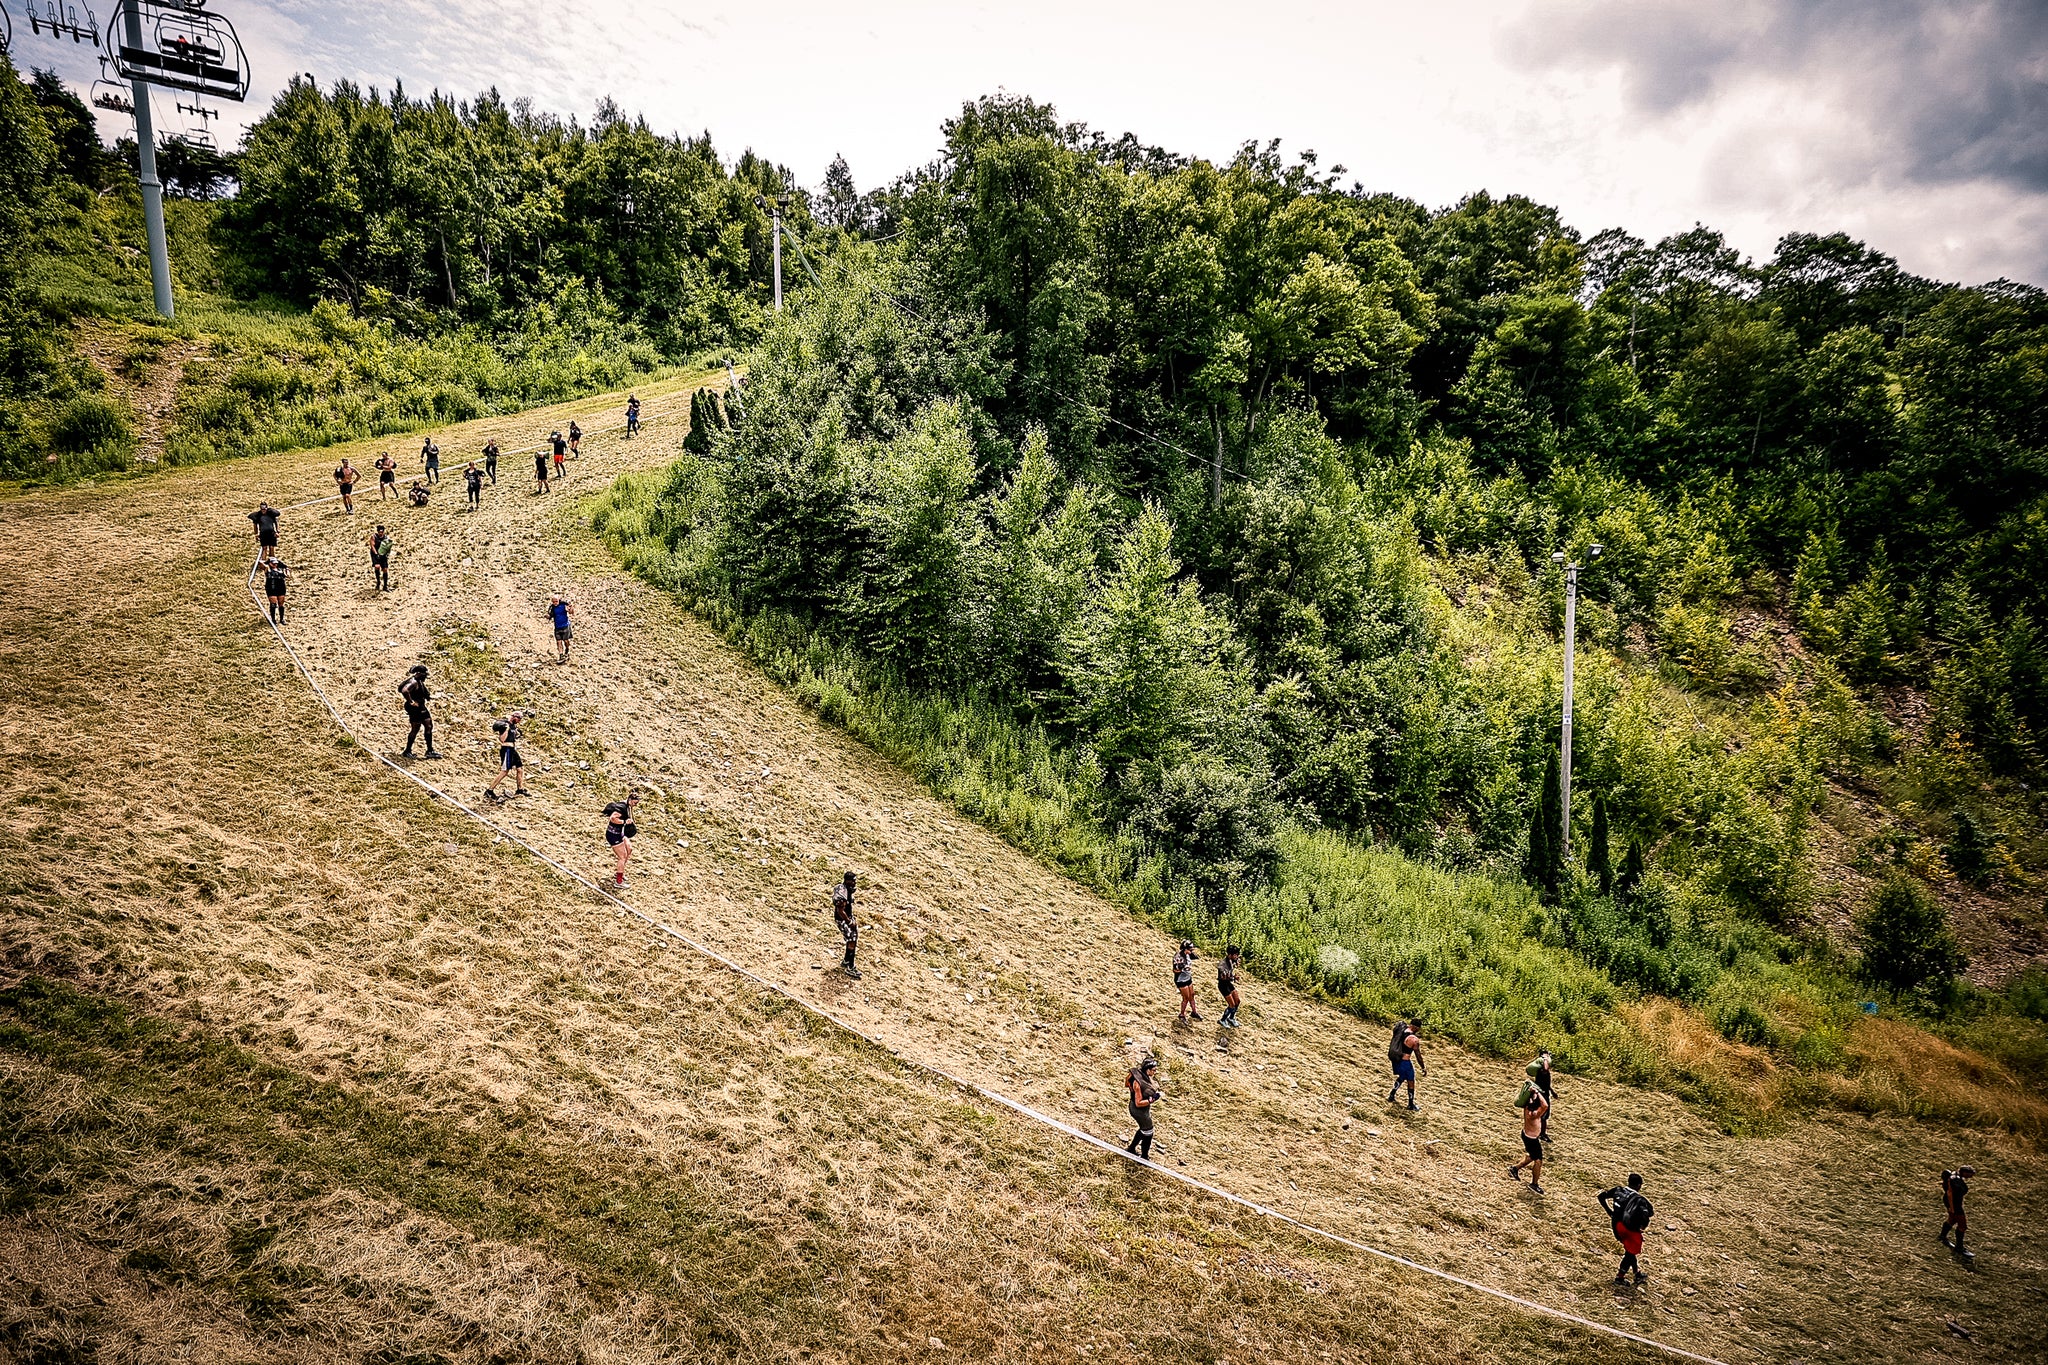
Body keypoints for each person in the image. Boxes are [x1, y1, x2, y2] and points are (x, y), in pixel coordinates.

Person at [1598, 1174, 1652, 1286]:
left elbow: (1601, 1196)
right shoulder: (1640, 1200)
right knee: (1630, 1252)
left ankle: (1637, 1272)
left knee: (1629, 1251)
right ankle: (1620, 1277)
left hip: (1616, 1226)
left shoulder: (1618, 1190)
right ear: (1639, 1185)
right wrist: (1642, 1227)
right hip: (1629, 1229)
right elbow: (1648, 1214)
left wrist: (1609, 1211)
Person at [1508, 1086, 1549, 1193]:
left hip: (1527, 1135)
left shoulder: (1527, 1107)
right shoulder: (1534, 1114)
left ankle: (1514, 1169)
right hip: (1532, 1139)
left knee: (1532, 1156)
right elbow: (1545, 1105)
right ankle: (1534, 1184)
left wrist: (1532, 1093)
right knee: (1538, 1161)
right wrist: (1538, 1092)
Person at [398, 664, 441, 759]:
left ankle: (430, 751)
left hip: (421, 707)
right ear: (419, 674)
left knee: (428, 725)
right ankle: (407, 751)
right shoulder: (413, 682)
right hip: (415, 709)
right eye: (424, 674)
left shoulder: (419, 681)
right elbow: (405, 691)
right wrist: (411, 702)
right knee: (415, 729)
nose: (425, 676)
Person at [484, 710, 527, 801]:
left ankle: (520, 789)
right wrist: (507, 730)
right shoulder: (505, 725)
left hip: (512, 749)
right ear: (514, 717)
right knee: (505, 771)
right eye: (519, 719)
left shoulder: (513, 726)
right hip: (506, 749)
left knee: (520, 769)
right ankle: (489, 790)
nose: (519, 721)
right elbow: (502, 739)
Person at [1125, 1057, 1161, 1161]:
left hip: (1144, 1110)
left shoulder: (1141, 1075)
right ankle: (1144, 1156)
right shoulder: (1138, 1083)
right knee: (1149, 1132)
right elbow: (1138, 1103)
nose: (1155, 1072)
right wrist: (1152, 1100)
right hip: (1139, 1111)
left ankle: (1131, 1148)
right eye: (1153, 1070)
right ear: (1147, 1069)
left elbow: (1127, 1082)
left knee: (1144, 1129)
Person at [602, 789, 640, 888]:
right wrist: (624, 822)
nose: (635, 805)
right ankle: (618, 882)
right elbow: (613, 818)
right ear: (630, 800)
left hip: (620, 833)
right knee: (622, 857)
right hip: (613, 834)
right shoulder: (622, 807)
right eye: (635, 803)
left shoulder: (627, 806)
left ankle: (620, 872)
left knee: (629, 849)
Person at [1517, 1050, 1556, 1144]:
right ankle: (1541, 1134)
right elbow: (1546, 1068)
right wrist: (1545, 1058)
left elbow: (1546, 1083)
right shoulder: (1542, 1070)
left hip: (1543, 1093)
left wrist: (1552, 1091)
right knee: (1543, 1115)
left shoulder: (1541, 1072)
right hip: (1541, 1095)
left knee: (1542, 1115)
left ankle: (1540, 1133)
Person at [1388, 1021, 1425, 1110]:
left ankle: (1392, 1095)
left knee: (1401, 1077)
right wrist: (1423, 1067)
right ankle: (1410, 1104)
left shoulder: (1402, 1031)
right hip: (1405, 1062)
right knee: (1411, 1082)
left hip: (1397, 1060)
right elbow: (1418, 1056)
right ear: (1416, 1027)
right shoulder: (1414, 1039)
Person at [1941, 1166, 1976, 1259]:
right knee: (1962, 1226)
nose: (1971, 1176)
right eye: (1970, 1174)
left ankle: (1942, 1236)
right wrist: (1951, 1208)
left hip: (1954, 1203)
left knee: (1952, 1220)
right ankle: (1959, 1247)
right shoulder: (1955, 1181)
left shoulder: (1955, 1176)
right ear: (1964, 1172)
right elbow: (1950, 1193)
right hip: (1955, 1204)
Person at [832, 871, 860, 979]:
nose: (854, 883)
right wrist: (849, 922)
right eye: (853, 881)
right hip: (843, 920)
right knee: (851, 939)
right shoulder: (843, 895)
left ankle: (846, 961)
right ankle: (850, 967)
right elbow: (840, 911)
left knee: (852, 938)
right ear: (847, 881)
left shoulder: (844, 889)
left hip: (846, 918)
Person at [1173, 940, 1201, 1023]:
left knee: (1192, 995)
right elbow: (1175, 970)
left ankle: (1194, 1012)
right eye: (1190, 950)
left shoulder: (1188, 954)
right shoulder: (1178, 957)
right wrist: (1183, 969)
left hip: (1188, 978)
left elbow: (1195, 957)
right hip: (1181, 980)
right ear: (1185, 949)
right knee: (1185, 998)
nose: (1191, 951)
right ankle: (1182, 1014)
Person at [1216, 945, 1243, 1029]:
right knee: (1232, 1004)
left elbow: (1234, 966)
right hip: (1223, 985)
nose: (1237, 956)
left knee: (1237, 1001)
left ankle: (1231, 1018)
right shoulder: (1222, 965)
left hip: (1228, 983)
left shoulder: (1232, 960)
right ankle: (1223, 1020)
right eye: (1235, 955)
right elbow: (1224, 977)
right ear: (1229, 954)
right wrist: (1234, 977)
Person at [260, 555, 288, 624]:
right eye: (273, 563)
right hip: (271, 587)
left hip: (281, 587)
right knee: (273, 603)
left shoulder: (281, 569)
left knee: (281, 604)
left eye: (276, 563)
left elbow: (288, 575)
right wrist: (266, 562)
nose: (275, 564)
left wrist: (283, 565)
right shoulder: (268, 569)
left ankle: (282, 619)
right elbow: (260, 563)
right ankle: (273, 619)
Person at [366, 524, 394, 592]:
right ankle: (378, 582)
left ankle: (385, 586)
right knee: (377, 566)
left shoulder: (386, 537)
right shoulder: (374, 537)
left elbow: (388, 546)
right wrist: (376, 554)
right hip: (375, 554)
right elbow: (372, 546)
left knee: (385, 569)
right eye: (379, 532)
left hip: (383, 554)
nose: (381, 533)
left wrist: (387, 553)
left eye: (382, 532)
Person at [547, 594, 573, 664]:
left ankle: (567, 649)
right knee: (559, 641)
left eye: (556, 601)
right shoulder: (552, 608)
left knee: (566, 640)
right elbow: (550, 615)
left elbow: (571, 612)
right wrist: (548, 616)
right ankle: (561, 655)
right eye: (554, 601)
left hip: (565, 625)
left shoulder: (564, 605)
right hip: (557, 627)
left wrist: (570, 607)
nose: (555, 603)